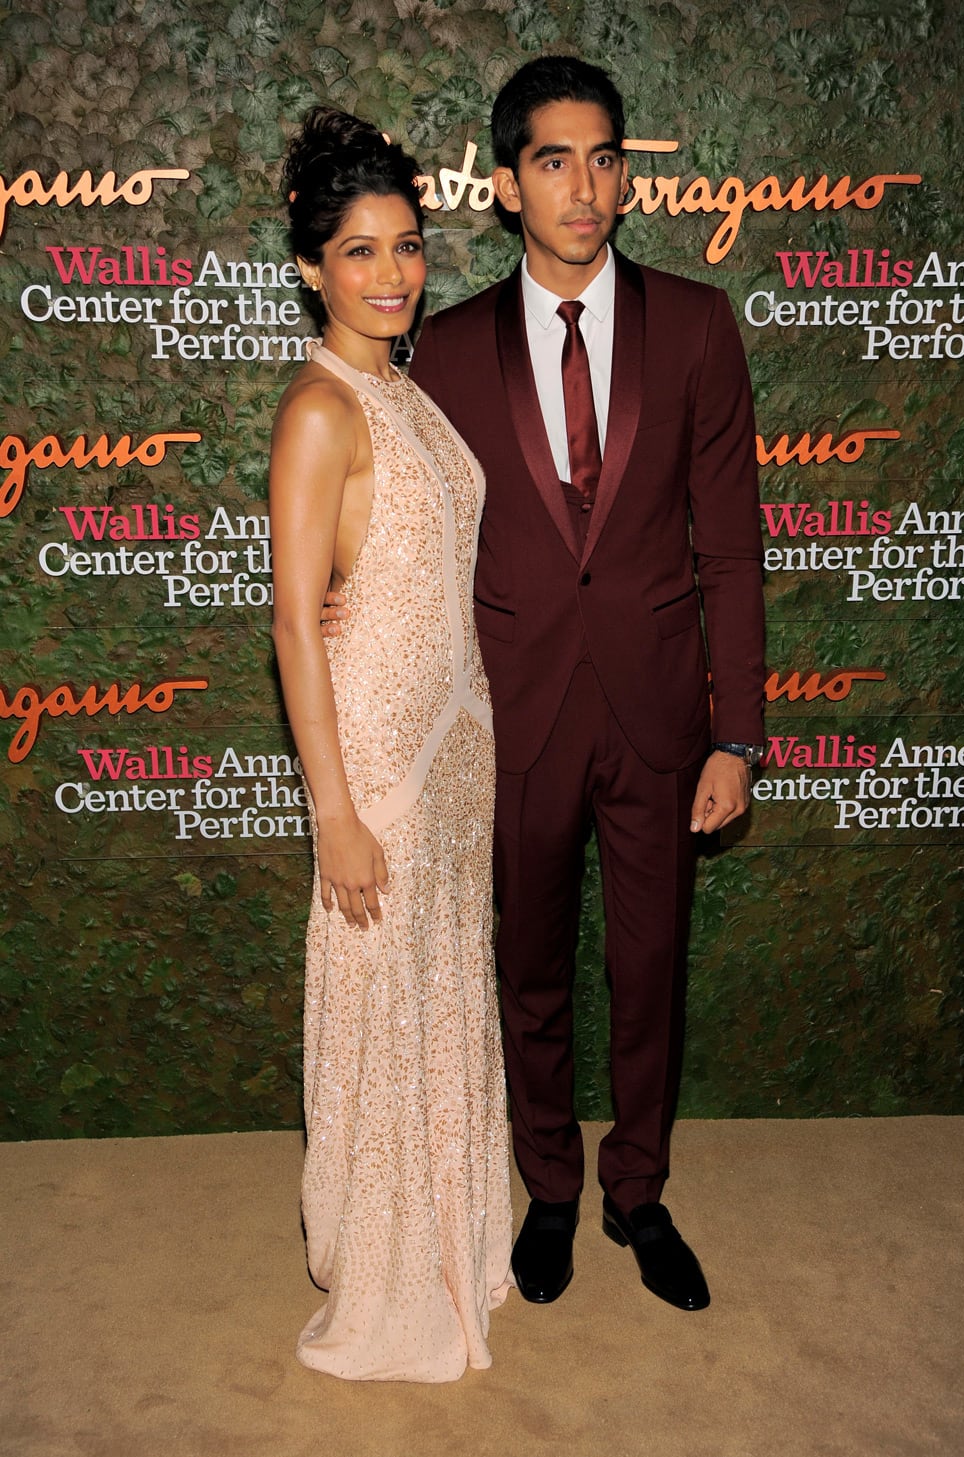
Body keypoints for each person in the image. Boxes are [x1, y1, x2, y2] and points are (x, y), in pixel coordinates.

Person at [326, 57, 764, 1313]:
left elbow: (729, 545)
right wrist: (329, 591)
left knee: (648, 961)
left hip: (660, 711)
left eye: (605, 157)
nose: (585, 186)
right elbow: (400, 508)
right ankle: (553, 1190)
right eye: (555, 161)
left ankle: (640, 1187)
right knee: (524, 968)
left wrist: (738, 732)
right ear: (509, 182)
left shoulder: (696, 325)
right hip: (506, 712)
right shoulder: (444, 346)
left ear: (626, 174)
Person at [269, 107, 511, 1383]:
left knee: (441, 992)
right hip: (377, 758)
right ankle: (386, 1262)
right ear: (312, 267)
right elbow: (295, 628)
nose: (391, 274)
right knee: (385, 1003)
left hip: (456, 735)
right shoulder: (319, 408)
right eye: (358, 252)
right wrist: (336, 810)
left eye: (408, 246)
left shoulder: (401, 388)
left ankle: (450, 1230)